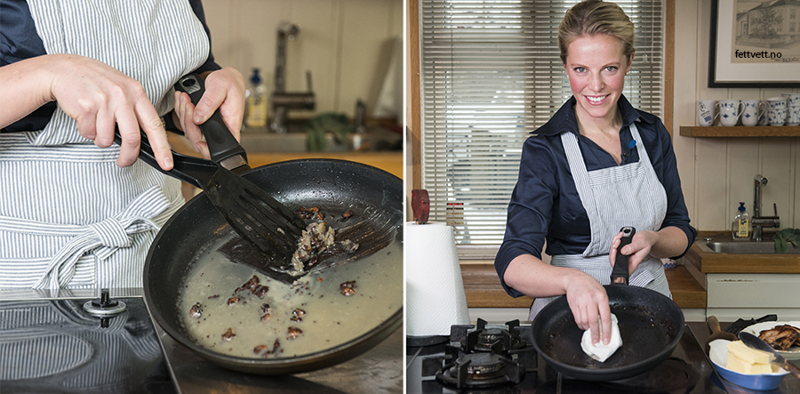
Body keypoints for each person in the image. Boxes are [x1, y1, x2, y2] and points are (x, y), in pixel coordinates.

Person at [0, 0, 245, 289]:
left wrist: (206, 87)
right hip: (35, 261)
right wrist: (46, 74)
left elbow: (183, 74)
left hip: (162, 240)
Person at [494, 0, 696, 347]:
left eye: (609, 68)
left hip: (651, 307)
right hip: (569, 316)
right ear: (566, 67)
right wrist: (573, 280)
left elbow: (680, 227)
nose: (596, 86)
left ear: (628, 62)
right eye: (581, 69)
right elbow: (513, 261)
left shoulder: (650, 133)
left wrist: (653, 241)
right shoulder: (546, 149)